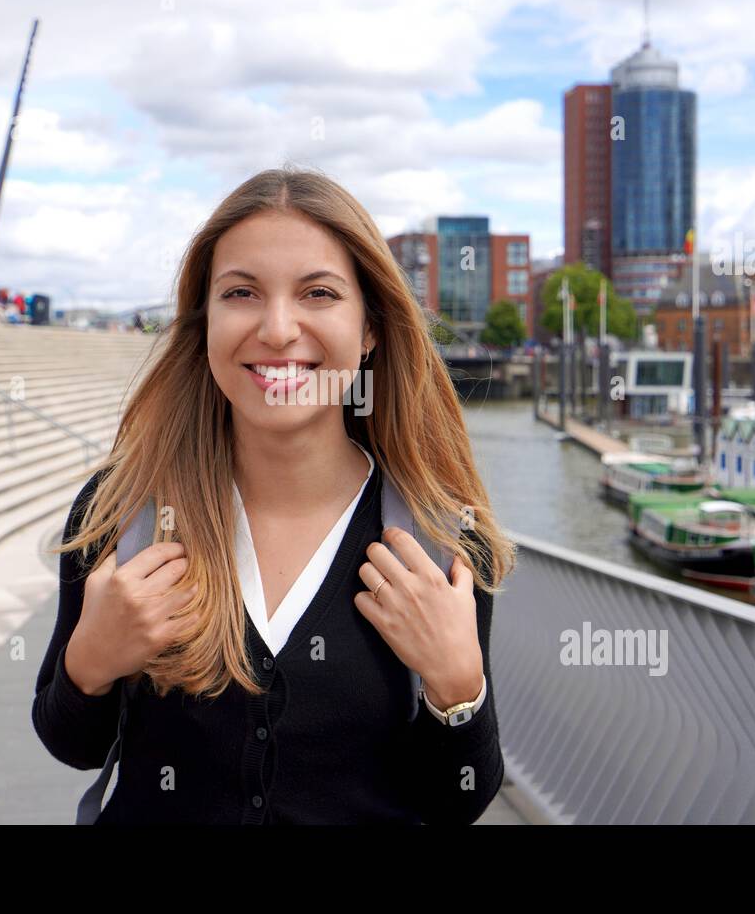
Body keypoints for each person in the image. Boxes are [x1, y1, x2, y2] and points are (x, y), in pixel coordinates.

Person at [32, 166, 516, 825]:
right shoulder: (123, 510)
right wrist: (91, 659)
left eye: (318, 293)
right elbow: (73, 745)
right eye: (242, 293)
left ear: (371, 326)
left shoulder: (444, 538)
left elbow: (456, 799)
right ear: (205, 322)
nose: (279, 328)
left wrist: (458, 687)